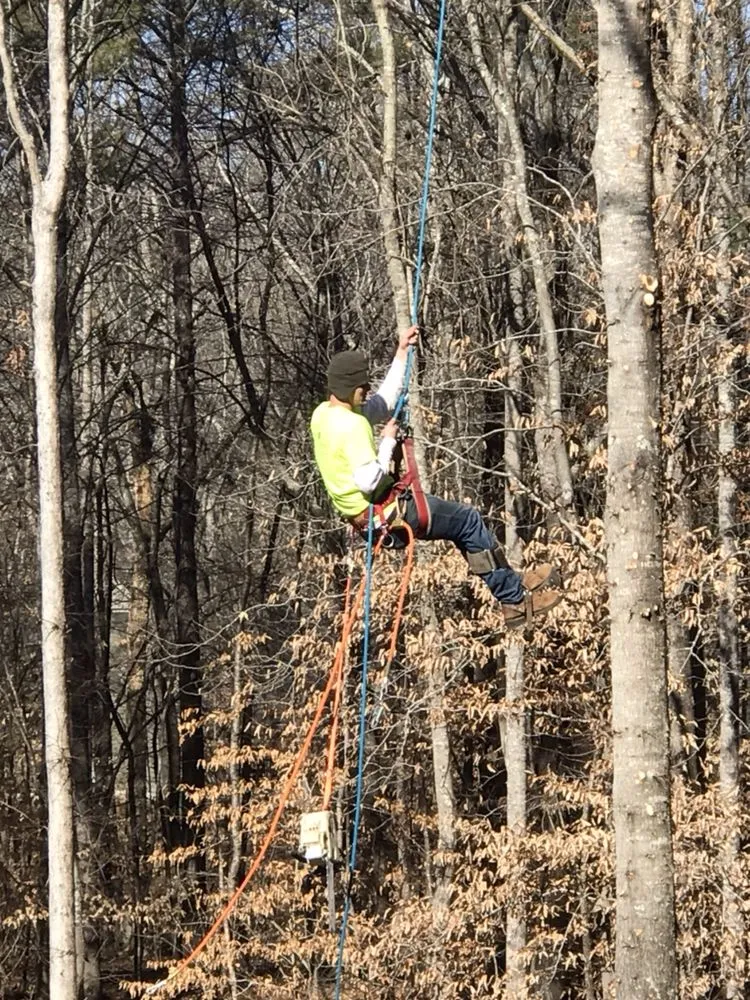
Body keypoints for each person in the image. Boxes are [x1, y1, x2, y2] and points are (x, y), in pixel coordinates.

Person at [310, 325, 562, 628]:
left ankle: (509, 581)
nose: (366, 394)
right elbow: (369, 481)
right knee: (468, 521)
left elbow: (383, 403)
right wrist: (388, 440)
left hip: (369, 519)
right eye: (363, 388)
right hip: (390, 514)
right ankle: (513, 601)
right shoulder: (352, 426)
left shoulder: (324, 414)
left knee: (463, 526)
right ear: (353, 389)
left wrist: (402, 352)